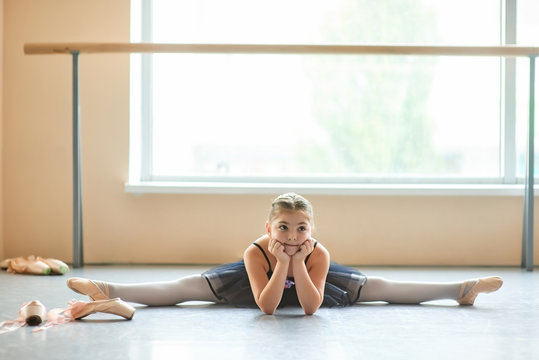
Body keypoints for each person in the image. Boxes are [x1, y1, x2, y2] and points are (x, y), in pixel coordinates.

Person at [67, 193, 503, 316]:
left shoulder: (318, 252)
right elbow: (269, 306)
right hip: (263, 282)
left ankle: (459, 289)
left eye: (301, 229)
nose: (292, 235)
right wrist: (281, 263)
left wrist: (298, 262)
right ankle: (107, 290)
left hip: (311, 282)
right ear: (268, 229)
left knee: (380, 288)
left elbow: (311, 307)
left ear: (312, 230)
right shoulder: (255, 251)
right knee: (188, 287)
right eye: (283, 228)